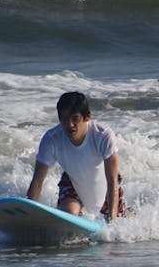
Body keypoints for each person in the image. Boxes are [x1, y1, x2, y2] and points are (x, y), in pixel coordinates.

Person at [26, 92, 126, 221]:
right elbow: (37, 181)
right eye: (64, 118)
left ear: (87, 117)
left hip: (106, 186)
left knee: (121, 220)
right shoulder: (51, 139)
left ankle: (129, 212)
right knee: (69, 213)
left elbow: (112, 181)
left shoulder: (102, 136)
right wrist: (26, 214)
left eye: (75, 118)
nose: (70, 124)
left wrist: (113, 220)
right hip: (72, 181)